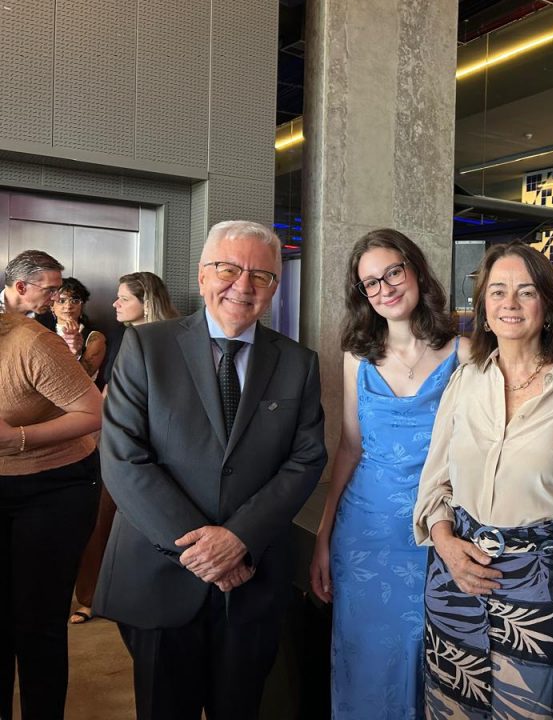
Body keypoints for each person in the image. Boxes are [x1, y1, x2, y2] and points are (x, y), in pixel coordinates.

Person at [95, 220, 327, 720]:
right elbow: (123, 456)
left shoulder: (298, 363)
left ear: (274, 287)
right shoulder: (145, 346)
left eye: (261, 275)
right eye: (228, 269)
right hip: (159, 575)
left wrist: (239, 538)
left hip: (253, 579)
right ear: (202, 276)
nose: (243, 285)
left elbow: (306, 458)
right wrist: (203, 550)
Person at [413, 242, 553, 720]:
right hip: (456, 579)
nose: (510, 303)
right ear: (483, 306)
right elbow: (435, 484)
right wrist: (445, 543)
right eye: (498, 291)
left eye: (526, 291)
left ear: (548, 305)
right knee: (451, 706)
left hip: (543, 590)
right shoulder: (466, 380)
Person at [310, 228, 468, 719]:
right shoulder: (357, 357)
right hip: (366, 531)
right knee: (366, 661)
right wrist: (323, 535)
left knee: (432, 658)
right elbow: (349, 447)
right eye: (371, 283)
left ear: (415, 269)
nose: (385, 289)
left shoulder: (464, 353)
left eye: (393, 273)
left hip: (439, 528)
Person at [0, 311, 104, 720]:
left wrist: (17, 438)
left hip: (53, 485)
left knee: (36, 620)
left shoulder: (31, 343)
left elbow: (93, 413)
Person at [69, 272, 179, 626]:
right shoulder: (123, 337)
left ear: (147, 302)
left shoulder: (175, 338)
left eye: (124, 298)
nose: (115, 304)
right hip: (117, 441)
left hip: (161, 445)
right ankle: (91, 597)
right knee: (102, 518)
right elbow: (109, 391)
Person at [51, 277, 107, 384]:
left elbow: (77, 381)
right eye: (61, 301)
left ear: (82, 306)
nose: (68, 306)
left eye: (75, 301)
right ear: (51, 306)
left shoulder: (95, 338)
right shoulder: (41, 332)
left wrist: (74, 354)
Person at [1, 250, 64, 317]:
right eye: (50, 290)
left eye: (58, 289)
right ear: (21, 288)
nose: (57, 298)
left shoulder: (54, 316)